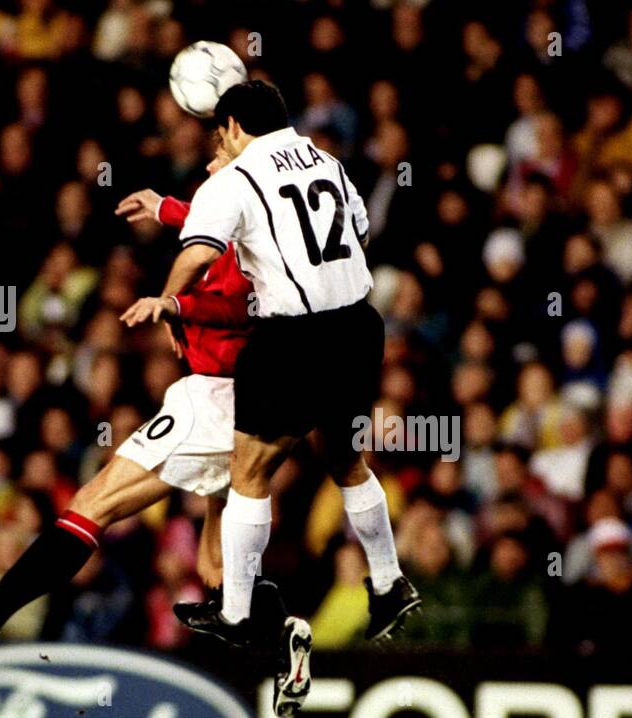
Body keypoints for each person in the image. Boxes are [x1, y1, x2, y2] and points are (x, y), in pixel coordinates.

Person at [0, 143, 303, 703]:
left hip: (215, 399)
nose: (211, 159)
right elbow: (201, 221)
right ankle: (286, 639)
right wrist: (165, 207)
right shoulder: (243, 219)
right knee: (216, 567)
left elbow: (240, 305)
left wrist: (175, 306)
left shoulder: (249, 246)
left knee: (95, 501)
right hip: (235, 404)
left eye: (220, 152)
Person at [122, 82, 420, 678]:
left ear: (232, 126)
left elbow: (201, 250)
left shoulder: (232, 179)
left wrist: (165, 297)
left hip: (292, 339)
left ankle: (235, 610)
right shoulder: (327, 160)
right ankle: (389, 583)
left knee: (247, 472)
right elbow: (358, 232)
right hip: (358, 327)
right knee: (346, 461)